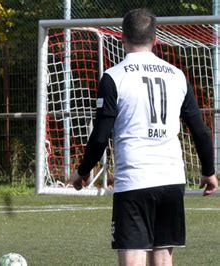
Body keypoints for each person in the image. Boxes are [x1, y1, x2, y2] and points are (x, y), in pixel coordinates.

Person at [71, 8, 218, 266]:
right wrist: (209, 171)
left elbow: (100, 137)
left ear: (121, 38)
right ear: (156, 40)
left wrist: (83, 171)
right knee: (162, 259)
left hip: (135, 180)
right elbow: (200, 131)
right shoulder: (177, 75)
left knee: (133, 258)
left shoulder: (114, 76)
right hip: (171, 179)